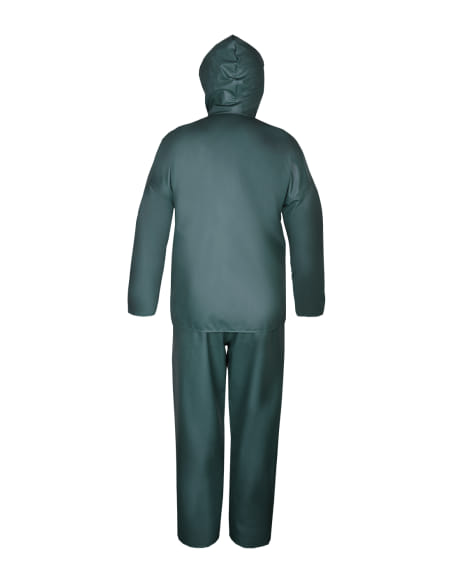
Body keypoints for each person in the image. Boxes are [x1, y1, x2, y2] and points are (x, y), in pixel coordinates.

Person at [128, 34, 325, 547]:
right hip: (261, 308)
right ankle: (251, 533)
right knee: (258, 420)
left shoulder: (177, 144)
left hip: (196, 306)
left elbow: (152, 220)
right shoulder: (282, 146)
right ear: (258, 86)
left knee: (196, 423)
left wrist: (142, 298)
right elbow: (307, 220)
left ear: (206, 84)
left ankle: (197, 533)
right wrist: (310, 299)